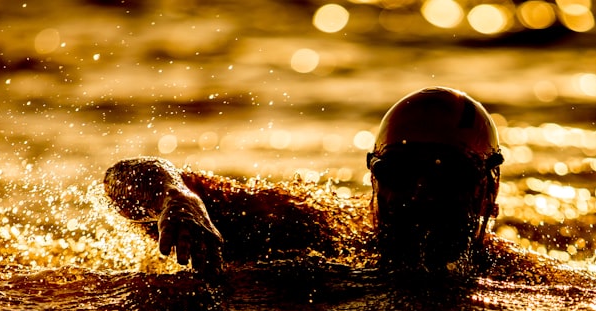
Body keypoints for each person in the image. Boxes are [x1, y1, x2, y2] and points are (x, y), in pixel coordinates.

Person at [104, 87, 551, 279]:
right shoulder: (309, 227)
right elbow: (124, 177)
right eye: (401, 172)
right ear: (374, 177)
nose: (422, 193)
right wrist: (176, 198)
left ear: (489, 191)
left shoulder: (519, 279)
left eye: (448, 175)